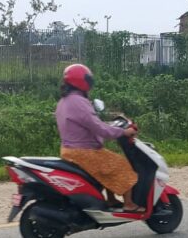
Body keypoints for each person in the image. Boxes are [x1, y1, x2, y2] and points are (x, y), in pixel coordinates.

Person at [56, 64, 142, 212]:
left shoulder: (65, 101)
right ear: (81, 81)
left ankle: (111, 200)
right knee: (121, 165)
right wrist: (123, 132)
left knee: (108, 163)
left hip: (70, 151)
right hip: (84, 152)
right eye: (88, 80)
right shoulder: (79, 102)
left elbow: (91, 124)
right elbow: (100, 129)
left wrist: (112, 127)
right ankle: (129, 204)